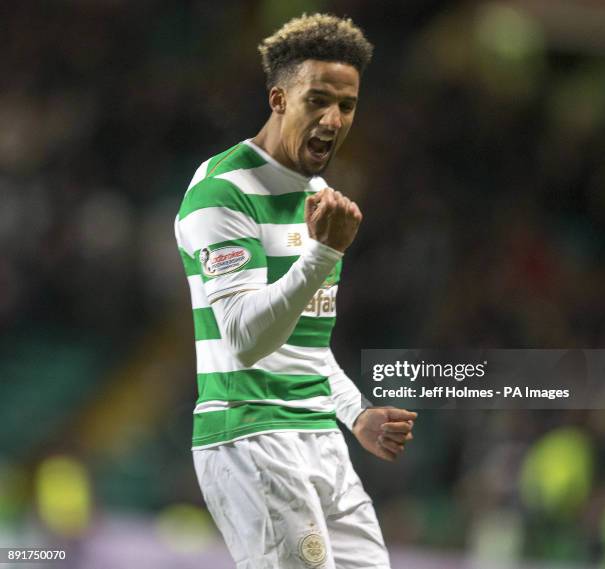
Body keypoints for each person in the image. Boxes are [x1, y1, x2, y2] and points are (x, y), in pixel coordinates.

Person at [174, 13, 417, 569]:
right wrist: (322, 254)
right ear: (279, 98)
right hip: (249, 435)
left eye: (348, 106)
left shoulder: (321, 197)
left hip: (319, 438)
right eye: (318, 101)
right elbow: (244, 340)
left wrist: (355, 413)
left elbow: (301, 346)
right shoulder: (223, 193)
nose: (333, 119)